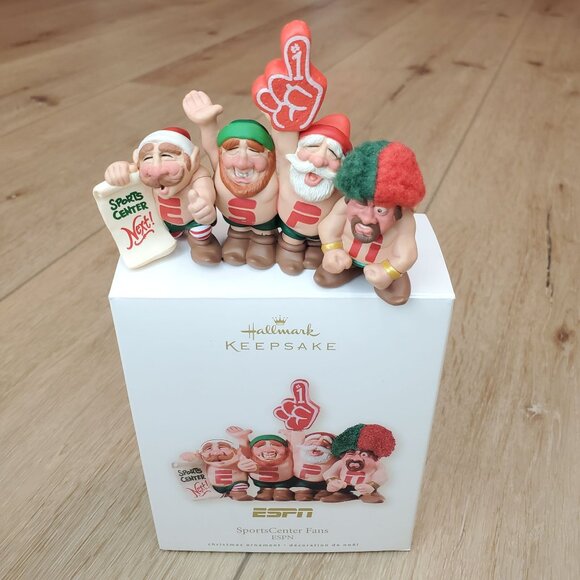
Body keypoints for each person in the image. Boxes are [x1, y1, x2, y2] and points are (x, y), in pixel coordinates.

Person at [315, 140, 426, 305]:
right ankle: (348, 267)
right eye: (360, 204)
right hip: (345, 256)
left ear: (398, 211)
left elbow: (407, 254)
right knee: (326, 273)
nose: (367, 219)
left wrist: (389, 271)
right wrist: (332, 249)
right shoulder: (344, 204)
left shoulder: (405, 221)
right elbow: (327, 227)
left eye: (380, 211)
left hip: (383, 263)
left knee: (397, 289)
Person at [183, 91, 279, 269]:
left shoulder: (275, 171)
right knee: (237, 236)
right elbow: (211, 145)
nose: (242, 162)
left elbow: (284, 148)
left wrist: (279, 125)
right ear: (221, 153)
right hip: (235, 225)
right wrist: (206, 123)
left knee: (263, 236)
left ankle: (264, 241)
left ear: (270, 155)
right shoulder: (221, 167)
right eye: (233, 150)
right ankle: (238, 237)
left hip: (265, 227)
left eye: (254, 151)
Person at [104, 127, 221, 265]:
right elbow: (128, 170)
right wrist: (118, 169)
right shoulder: (140, 170)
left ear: (194, 159)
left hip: (192, 220)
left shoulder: (198, 174)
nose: (156, 170)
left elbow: (204, 189)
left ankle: (202, 244)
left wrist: (204, 203)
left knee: (200, 230)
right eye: (148, 158)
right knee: (163, 233)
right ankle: (168, 236)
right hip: (164, 222)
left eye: (167, 156)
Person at [269, 115, 353, 275]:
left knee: (317, 249)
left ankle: (315, 248)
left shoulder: (338, 186)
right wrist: (279, 116)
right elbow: (283, 140)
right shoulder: (288, 167)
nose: (319, 161)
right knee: (291, 242)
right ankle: (290, 248)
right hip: (290, 230)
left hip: (320, 236)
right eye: (312, 146)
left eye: (332, 153)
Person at [321, 423, 396, 504]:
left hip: (367, 485)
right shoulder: (341, 462)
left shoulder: (376, 464)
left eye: (364, 454)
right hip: (344, 485)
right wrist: (332, 481)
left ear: (375, 456)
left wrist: (372, 485)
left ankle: (370, 494)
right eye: (351, 453)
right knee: (340, 492)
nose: (356, 458)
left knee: (370, 492)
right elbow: (329, 473)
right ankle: (342, 494)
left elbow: (382, 475)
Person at [229, 427, 296, 501]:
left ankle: (282, 490)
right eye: (260, 445)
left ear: (285, 448)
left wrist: (291, 436)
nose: (268, 449)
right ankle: (266, 490)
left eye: (276, 445)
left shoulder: (289, 455)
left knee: (281, 494)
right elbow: (244, 451)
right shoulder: (250, 457)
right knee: (265, 493)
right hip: (263, 483)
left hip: (284, 482)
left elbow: (294, 447)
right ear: (251, 450)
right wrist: (242, 438)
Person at [180, 439, 252, 501]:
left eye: (222, 447)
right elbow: (196, 461)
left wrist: (245, 464)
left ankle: (238, 494)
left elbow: (246, 454)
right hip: (213, 487)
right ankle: (222, 495)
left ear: (234, 450)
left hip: (235, 485)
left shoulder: (238, 458)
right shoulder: (204, 461)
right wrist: (191, 457)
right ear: (201, 454)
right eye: (208, 449)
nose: (216, 453)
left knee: (240, 486)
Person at [281, 430, 336, 501]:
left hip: (323, 484)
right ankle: (303, 492)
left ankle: (323, 491)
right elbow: (294, 441)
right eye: (312, 442)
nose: (317, 444)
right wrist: (290, 434)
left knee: (325, 491)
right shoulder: (298, 451)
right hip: (302, 482)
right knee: (302, 494)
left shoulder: (333, 457)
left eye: (325, 444)